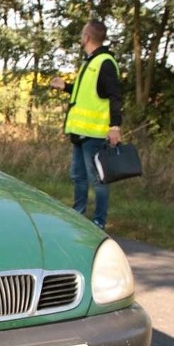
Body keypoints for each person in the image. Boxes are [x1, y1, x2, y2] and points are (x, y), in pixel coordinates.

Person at [50, 19, 123, 230]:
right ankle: (78, 217)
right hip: (79, 132)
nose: (81, 38)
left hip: (95, 133)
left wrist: (115, 126)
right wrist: (65, 87)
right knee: (78, 176)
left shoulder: (105, 62)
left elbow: (114, 96)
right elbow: (86, 95)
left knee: (98, 179)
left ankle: (99, 222)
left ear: (87, 37)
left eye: (83, 34)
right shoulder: (90, 62)